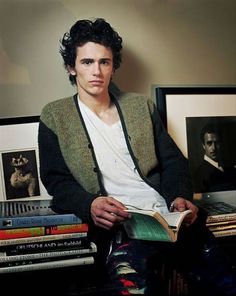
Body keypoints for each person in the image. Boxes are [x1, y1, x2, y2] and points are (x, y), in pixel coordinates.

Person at [38, 18, 236, 296]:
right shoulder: (55, 115)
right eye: (87, 62)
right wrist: (90, 203)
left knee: (226, 283)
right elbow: (55, 180)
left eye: (104, 62)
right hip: (121, 229)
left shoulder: (140, 106)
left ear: (113, 66)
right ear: (71, 67)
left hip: (167, 218)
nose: (97, 71)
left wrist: (180, 196)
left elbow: (172, 161)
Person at [193, 123, 236, 193]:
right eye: (209, 143)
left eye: (217, 143)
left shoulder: (229, 168)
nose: (213, 148)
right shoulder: (199, 174)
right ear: (203, 145)